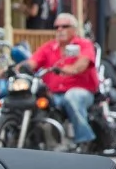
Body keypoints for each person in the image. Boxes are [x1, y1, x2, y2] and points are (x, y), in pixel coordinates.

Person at [27, 11, 99, 149]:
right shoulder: (49, 47)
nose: (60, 29)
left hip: (82, 92)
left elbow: (83, 63)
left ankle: (84, 140)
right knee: (35, 99)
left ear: (74, 29)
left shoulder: (83, 44)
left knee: (72, 97)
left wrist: (70, 69)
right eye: (57, 27)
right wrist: (16, 69)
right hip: (54, 93)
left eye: (64, 26)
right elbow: (32, 62)